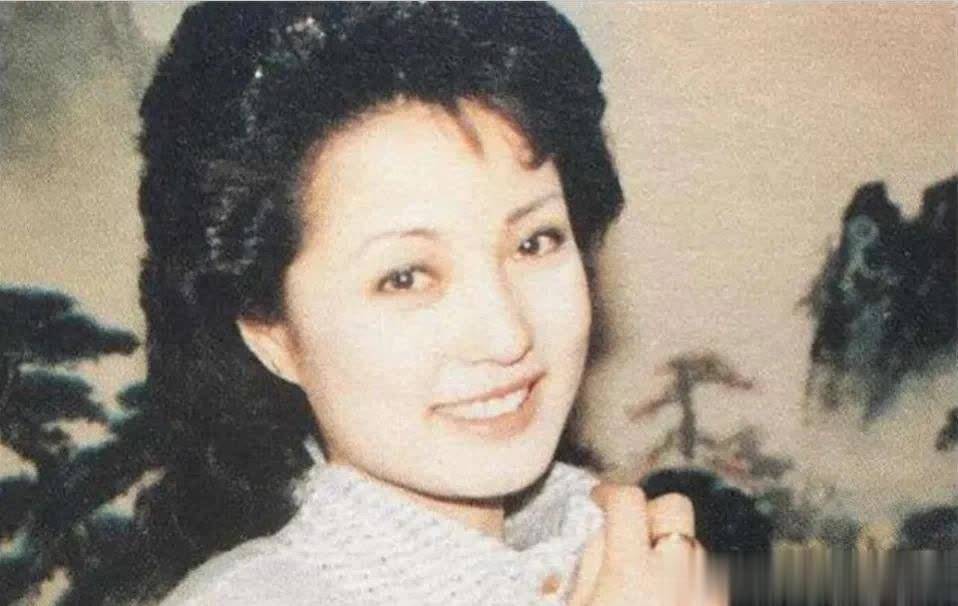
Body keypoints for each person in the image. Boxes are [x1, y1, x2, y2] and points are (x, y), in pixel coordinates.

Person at [134, 3, 716, 604]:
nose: (507, 335)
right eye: (406, 277)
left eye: (534, 242)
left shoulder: (615, 550)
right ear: (271, 333)